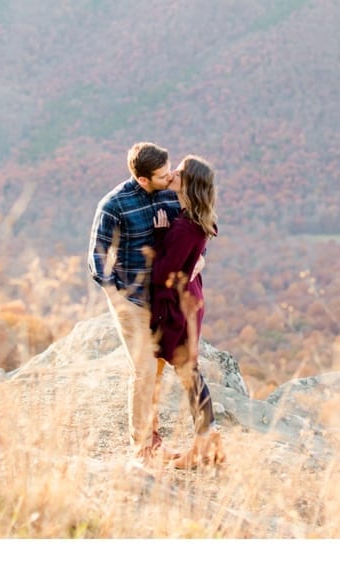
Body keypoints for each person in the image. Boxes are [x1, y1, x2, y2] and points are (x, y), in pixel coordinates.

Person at [88, 141, 180, 460]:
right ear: (143, 179)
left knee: (156, 369)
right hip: (133, 300)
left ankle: (153, 437)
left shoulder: (171, 193)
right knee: (142, 370)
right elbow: (97, 259)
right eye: (162, 174)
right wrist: (116, 300)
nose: (169, 178)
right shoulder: (114, 204)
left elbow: (194, 229)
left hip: (164, 299)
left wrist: (200, 259)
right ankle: (143, 447)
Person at [148, 154, 224, 468]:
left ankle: (199, 445)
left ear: (188, 183)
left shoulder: (182, 228)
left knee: (183, 374)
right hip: (190, 299)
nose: (172, 173)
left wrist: (159, 235)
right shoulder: (197, 220)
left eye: (179, 171)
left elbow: (164, 275)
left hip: (175, 307)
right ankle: (208, 442)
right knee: (189, 373)